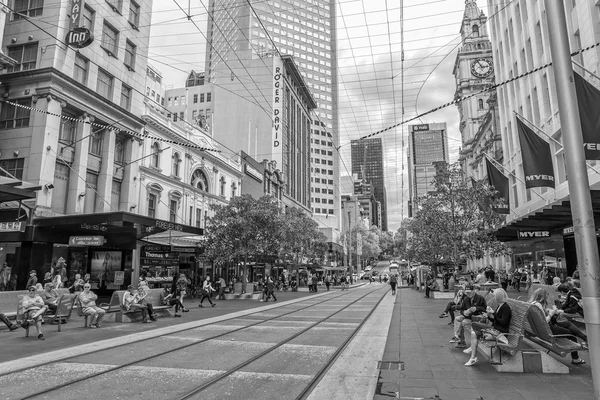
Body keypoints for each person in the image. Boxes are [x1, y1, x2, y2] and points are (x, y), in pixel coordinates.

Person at [529, 288, 586, 364]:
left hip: (541, 330)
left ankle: (585, 338)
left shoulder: (532, 303)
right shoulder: (538, 305)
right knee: (571, 334)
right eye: (546, 297)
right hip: (548, 331)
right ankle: (576, 358)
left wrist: (548, 311)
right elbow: (545, 322)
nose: (547, 299)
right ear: (542, 297)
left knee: (567, 324)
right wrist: (551, 313)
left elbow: (541, 318)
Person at [464, 288, 512, 366]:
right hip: (495, 330)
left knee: (474, 326)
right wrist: (489, 316)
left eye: (495, 296)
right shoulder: (500, 306)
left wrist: (494, 313)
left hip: (500, 333)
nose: (494, 298)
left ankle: (472, 350)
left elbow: (503, 322)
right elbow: (495, 321)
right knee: (473, 333)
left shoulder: (505, 308)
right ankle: (473, 358)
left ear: (498, 297)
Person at [449, 284, 487, 348]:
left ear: (473, 291)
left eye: (469, 292)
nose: (468, 294)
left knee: (463, 322)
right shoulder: (466, 299)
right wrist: (464, 312)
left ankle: (461, 341)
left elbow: (484, 309)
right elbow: (462, 309)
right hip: (468, 316)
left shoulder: (480, 298)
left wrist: (476, 308)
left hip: (477, 317)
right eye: (467, 293)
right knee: (457, 319)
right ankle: (457, 336)